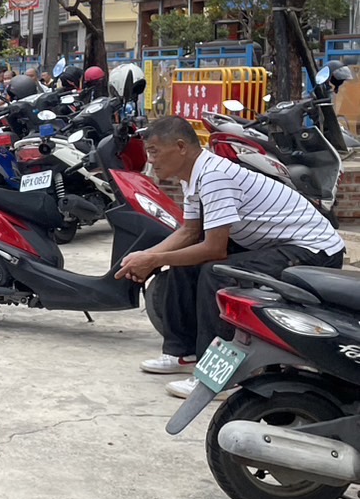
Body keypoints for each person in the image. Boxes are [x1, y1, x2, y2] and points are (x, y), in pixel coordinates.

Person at [116, 116, 346, 397]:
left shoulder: (214, 175)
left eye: (153, 151)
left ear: (180, 147)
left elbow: (215, 249)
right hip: (275, 244)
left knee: (216, 272)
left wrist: (150, 261)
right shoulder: (193, 176)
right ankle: (182, 354)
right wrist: (146, 256)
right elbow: (189, 233)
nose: (150, 161)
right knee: (182, 264)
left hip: (313, 249)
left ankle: (219, 375)